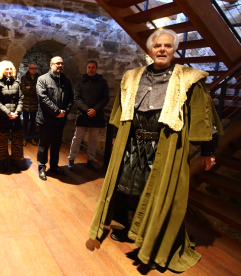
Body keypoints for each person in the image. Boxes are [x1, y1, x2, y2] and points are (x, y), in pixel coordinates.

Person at [86, 29, 223, 272]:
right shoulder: (132, 77)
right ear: (149, 50)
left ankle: (155, 239)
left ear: (174, 50)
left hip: (165, 146)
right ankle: (130, 230)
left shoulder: (189, 79)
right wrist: (118, 135)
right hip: (132, 143)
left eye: (167, 46)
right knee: (127, 188)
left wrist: (208, 150)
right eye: (157, 45)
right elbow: (120, 110)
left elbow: (204, 116)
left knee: (159, 192)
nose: (162, 49)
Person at [68, 60, 109, 171]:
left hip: (96, 114)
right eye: (89, 67)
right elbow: (76, 98)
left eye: (92, 67)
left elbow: (105, 98)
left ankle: (90, 160)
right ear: (87, 68)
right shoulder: (81, 81)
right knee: (77, 138)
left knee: (93, 140)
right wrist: (87, 110)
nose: (90, 69)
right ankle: (71, 159)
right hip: (83, 114)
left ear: (96, 68)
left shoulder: (102, 82)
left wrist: (95, 110)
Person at [36, 56, 73, 181]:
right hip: (46, 120)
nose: (60, 65)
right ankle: (41, 167)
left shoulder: (66, 81)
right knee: (44, 145)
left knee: (56, 145)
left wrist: (64, 112)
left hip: (60, 120)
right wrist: (56, 111)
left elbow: (70, 99)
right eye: (57, 63)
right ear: (51, 65)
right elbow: (43, 99)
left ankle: (54, 166)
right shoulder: (42, 79)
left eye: (62, 63)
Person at [0, 61, 24, 171]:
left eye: (11, 69)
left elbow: (21, 99)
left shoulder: (17, 83)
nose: (9, 71)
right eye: (7, 69)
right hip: (3, 116)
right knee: (3, 140)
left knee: (17, 139)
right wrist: (7, 112)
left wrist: (17, 112)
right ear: (2, 71)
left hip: (15, 115)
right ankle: (3, 160)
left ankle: (16, 160)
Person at [20, 62, 39, 146]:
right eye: (32, 68)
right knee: (25, 121)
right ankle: (24, 138)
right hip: (26, 103)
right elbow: (23, 90)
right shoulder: (24, 78)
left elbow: (39, 90)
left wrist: (30, 88)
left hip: (34, 103)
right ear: (29, 69)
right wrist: (33, 91)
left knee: (33, 122)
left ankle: (31, 137)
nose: (34, 70)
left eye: (35, 68)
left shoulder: (39, 78)